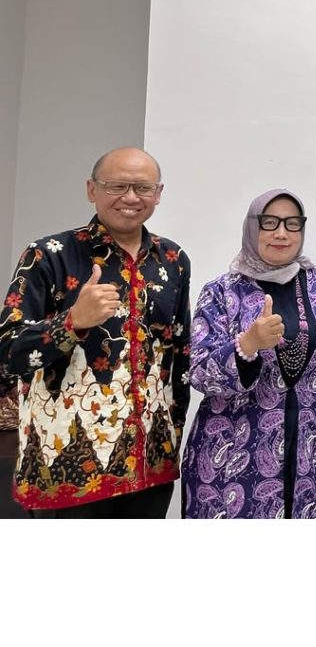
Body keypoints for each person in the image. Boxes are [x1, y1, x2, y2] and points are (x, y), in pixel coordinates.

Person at [0, 147, 191, 518]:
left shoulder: (173, 260)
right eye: (117, 186)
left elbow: (180, 352)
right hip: (66, 468)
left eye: (143, 188)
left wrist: (173, 436)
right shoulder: (49, 255)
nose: (130, 197)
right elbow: (7, 352)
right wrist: (71, 322)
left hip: (149, 465)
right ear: (92, 190)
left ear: (158, 194)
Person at [182, 188, 316, 518]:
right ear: (252, 227)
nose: (282, 233)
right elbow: (199, 371)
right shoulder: (222, 292)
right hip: (232, 459)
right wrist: (247, 345)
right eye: (270, 222)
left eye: (292, 223)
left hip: (311, 455)